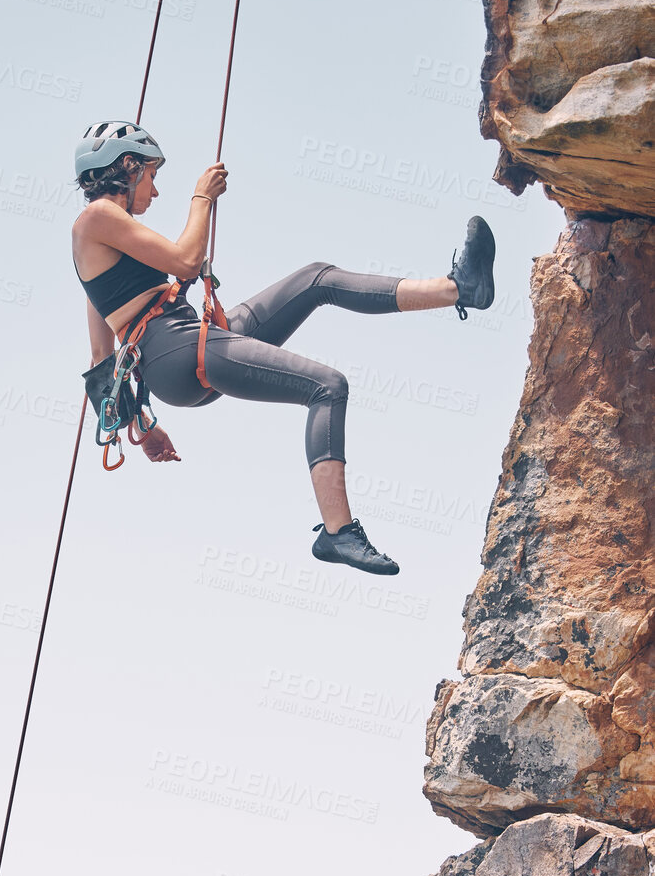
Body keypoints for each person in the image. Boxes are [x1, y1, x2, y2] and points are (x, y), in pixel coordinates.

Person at [72, 120, 496, 576]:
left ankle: (459, 288)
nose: (154, 192)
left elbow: (100, 363)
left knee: (317, 278)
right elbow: (186, 260)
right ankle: (338, 533)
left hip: (188, 343)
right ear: (128, 166)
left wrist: (145, 428)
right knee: (327, 386)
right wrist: (202, 197)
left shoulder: (105, 238)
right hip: (176, 351)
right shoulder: (97, 217)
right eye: (152, 176)